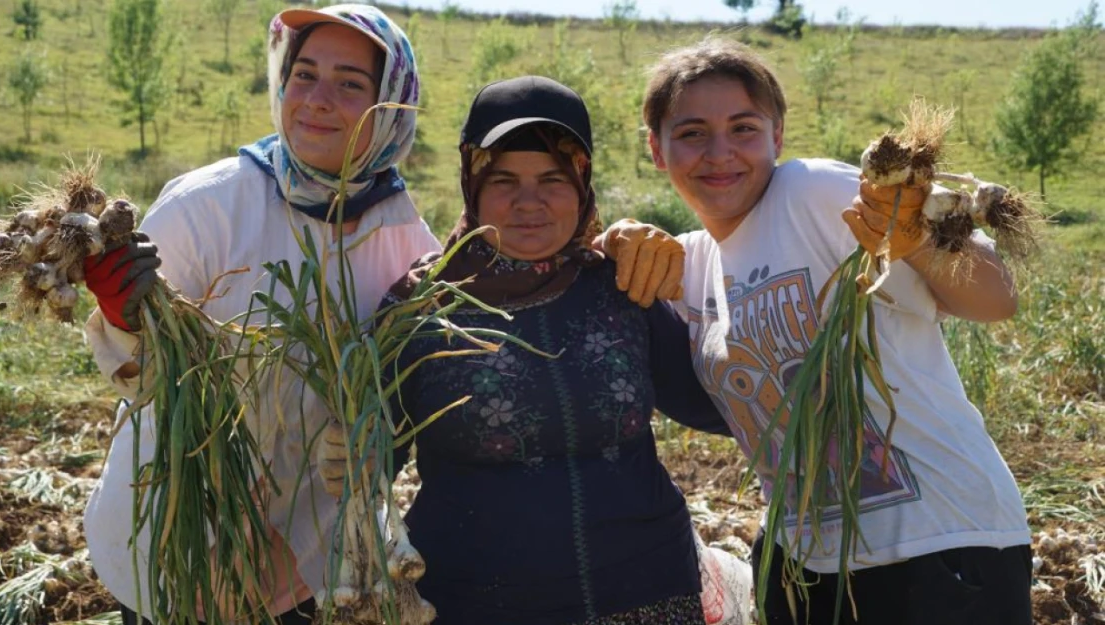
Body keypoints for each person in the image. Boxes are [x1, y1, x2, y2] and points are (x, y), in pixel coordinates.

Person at [600, 37, 1033, 625]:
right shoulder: (690, 266)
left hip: (940, 543)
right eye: (693, 132)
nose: (720, 152)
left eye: (744, 128)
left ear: (778, 136)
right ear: (657, 148)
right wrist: (613, 240)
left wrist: (922, 244)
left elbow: (996, 298)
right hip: (809, 565)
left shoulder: (814, 192)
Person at [321, 75, 736, 625]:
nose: (529, 202)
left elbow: (717, 405)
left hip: (650, 592)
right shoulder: (418, 313)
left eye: (552, 179)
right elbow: (369, 464)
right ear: (472, 181)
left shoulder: (622, 286)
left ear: (583, 181)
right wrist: (346, 449)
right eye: (504, 180)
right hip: (478, 603)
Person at [81, 5, 438, 623]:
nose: (317, 100)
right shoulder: (208, 205)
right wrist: (128, 319)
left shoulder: (404, 237)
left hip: (308, 549)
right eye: (303, 74)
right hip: (178, 527)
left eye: (350, 84)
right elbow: (143, 378)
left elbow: (404, 393)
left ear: (392, 108)